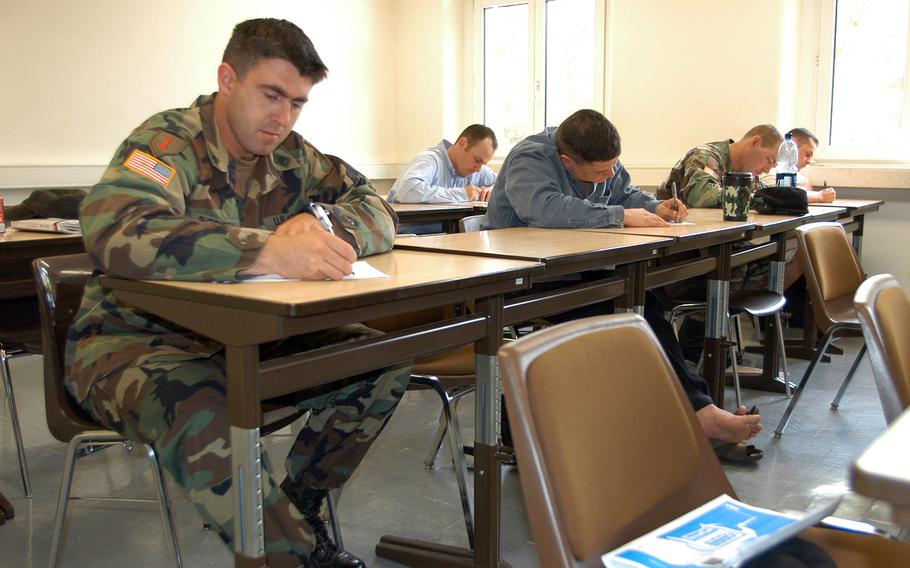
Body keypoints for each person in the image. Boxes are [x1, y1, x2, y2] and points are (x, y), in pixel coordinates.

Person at [65, 19, 410, 568]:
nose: (282, 118)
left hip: (244, 337)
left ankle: (294, 514)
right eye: (271, 96)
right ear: (228, 79)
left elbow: (379, 209)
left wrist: (327, 226)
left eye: (297, 103)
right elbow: (115, 230)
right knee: (204, 405)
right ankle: (288, 556)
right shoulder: (167, 142)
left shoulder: (292, 154)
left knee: (379, 362)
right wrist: (265, 251)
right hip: (133, 345)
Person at [483, 109, 761, 446]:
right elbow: (544, 209)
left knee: (643, 306)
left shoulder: (602, 160)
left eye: (614, 164)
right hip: (521, 281)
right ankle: (688, 414)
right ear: (568, 162)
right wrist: (620, 215)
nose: (611, 172)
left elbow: (625, 192)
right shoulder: (531, 157)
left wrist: (655, 206)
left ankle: (697, 410)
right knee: (621, 314)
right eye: (602, 170)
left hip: (572, 271)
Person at [655, 124, 783, 206]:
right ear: (755, 142)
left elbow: (763, 194)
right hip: (670, 239)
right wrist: (753, 197)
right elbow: (701, 196)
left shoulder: (748, 173)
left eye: (773, 165)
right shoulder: (706, 156)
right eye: (768, 159)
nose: (767, 170)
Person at [387, 124, 498, 203]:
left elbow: (504, 184)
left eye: (483, 164)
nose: (478, 169)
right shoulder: (429, 160)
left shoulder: (477, 170)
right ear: (463, 143)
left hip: (451, 234)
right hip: (410, 234)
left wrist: (491, 192)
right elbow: (407, 190)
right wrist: (462, 194)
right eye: (477, 160)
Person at [760, 127, 837, 203]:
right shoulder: (768, 170)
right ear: (792, 144)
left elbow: (805, 187)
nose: (809, 161)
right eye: (807, 154)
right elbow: (780, 196)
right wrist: (820, 196)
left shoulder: (799, 177)